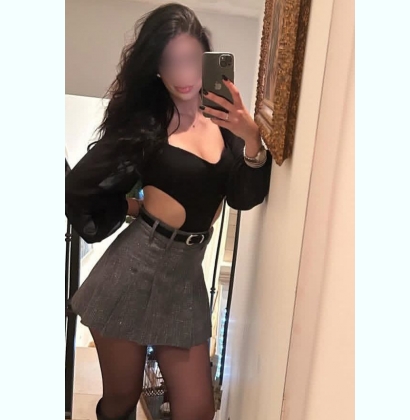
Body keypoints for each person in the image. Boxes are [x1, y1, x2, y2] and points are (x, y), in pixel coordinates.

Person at [65, 3, 272, 420]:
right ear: (156, 69)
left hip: (186, 277)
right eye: (170, 62)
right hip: (134, 269)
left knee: (197, 410)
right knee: (121, 399)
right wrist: (129, 205)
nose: (183, 74)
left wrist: (250, 137)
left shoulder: (225, 124)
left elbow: (243, 197)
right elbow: (80, 184)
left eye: (190, 59)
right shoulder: (147, 125)